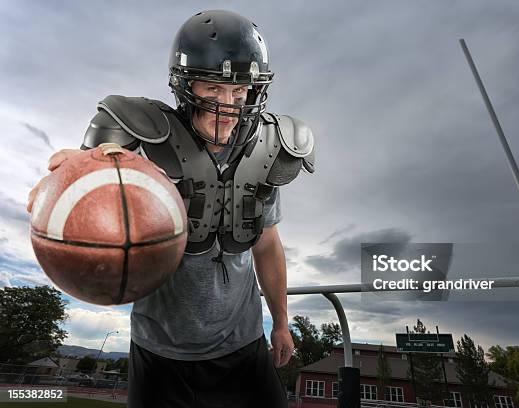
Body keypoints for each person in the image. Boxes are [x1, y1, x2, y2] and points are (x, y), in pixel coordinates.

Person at [26, 10, 315, 408]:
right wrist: (74, 184)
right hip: (159, 349)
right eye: (213, 89)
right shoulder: (143, 149)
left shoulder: (262, 155)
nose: (228, 105)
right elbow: (95, 171)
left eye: (239, 91)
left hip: (244, 344)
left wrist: (280, 325)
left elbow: (267, 245)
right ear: (185, 84)